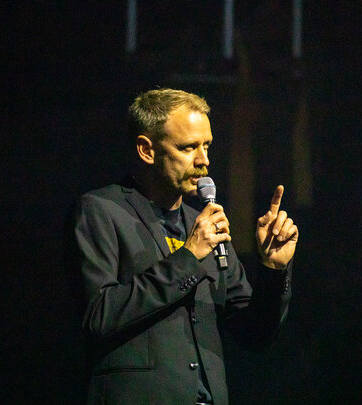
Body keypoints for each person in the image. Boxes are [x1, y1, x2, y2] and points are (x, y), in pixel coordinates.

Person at [69, 88, 299, 404]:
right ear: (146, 150)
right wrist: (189, 257)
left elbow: (255, 334)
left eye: (207, 145)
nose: (204, 160)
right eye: (188, 147)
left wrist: (273, 269)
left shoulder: (203, 225)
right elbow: (99, 315)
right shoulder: (102, 211)